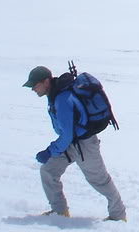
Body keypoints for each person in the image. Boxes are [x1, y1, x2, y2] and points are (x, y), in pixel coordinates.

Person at [23, 65, 127, 222]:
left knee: (99, 180)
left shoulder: (62, 98)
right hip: (72, 144)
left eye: (34, 85)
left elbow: (66, 135)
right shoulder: (55, 94)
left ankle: (118, 216)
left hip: (84, 145)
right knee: (48, 171)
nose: (33, 89)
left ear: (46, 82)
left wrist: (50, 151)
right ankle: (60, 212)